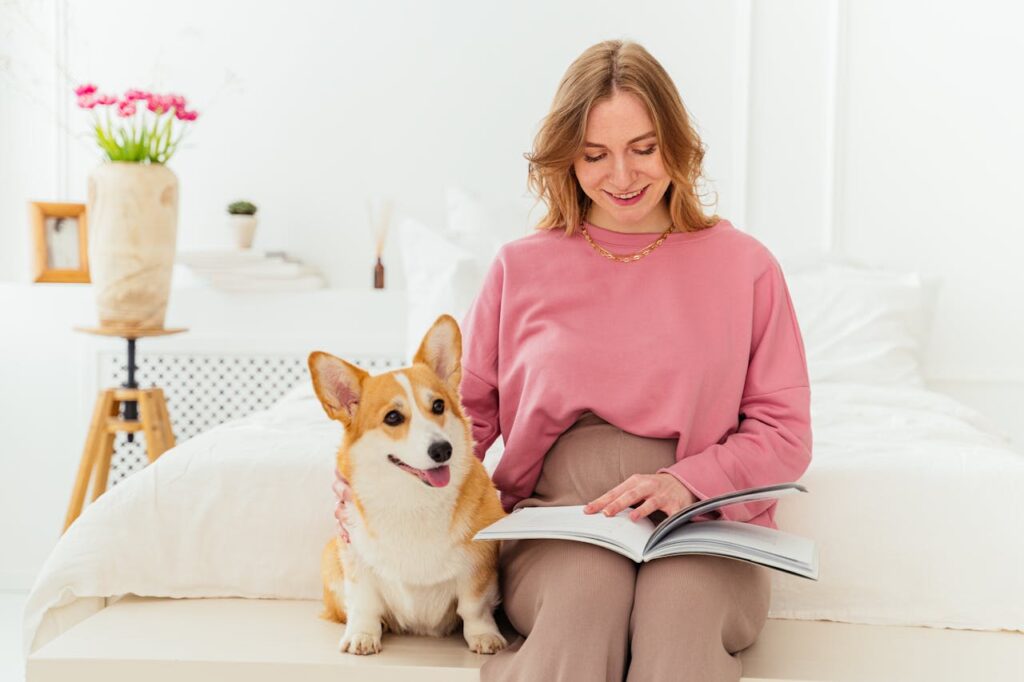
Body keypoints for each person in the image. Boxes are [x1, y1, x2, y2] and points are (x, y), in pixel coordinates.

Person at [333, 39, 812, 681]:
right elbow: (460, 416)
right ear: (566, 159)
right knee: (585, 607)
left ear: (677, 142)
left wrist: (685, 482)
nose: (622, 176)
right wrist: (374, 476)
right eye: (595, 155)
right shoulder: (520, 267)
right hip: (559, 519)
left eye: (644, 148)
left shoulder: (745, 266)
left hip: (702, 520)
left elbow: (785, 433)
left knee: (677, 623)